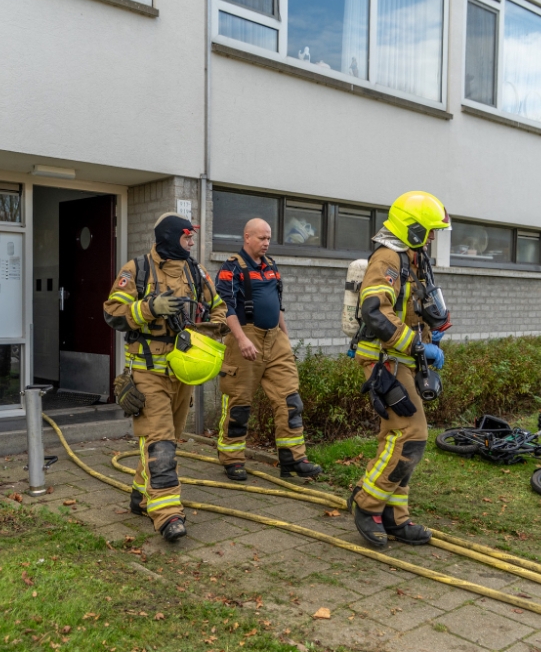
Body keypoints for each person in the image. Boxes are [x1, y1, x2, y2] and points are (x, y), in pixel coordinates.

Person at [103, 213, 227, 542]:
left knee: (165, 439)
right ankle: (168, 513)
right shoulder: (136, 270)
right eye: (187, 237)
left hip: (183, 374)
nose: (192, 243)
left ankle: (140, 496)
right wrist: (149, 309)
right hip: (148, 375)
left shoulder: (195, 271)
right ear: (170, 237)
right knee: (160, 442)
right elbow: (111, 314)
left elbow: (218, 307)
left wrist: (207, 332)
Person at [348, 191, 451, 548]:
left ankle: (394, 517)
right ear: (414, 228)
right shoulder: (388, 257)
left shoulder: (414, 258)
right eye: (430, 230)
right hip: (384, 360)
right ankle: (366, 504)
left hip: (402, 359)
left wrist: (431, 331)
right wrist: (419, 345)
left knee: (397, 436)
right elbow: (376, 311)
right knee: (412, 434)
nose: (434, 238)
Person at [214, 218, 323, 481]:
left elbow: (278, 305)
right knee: (239, 403)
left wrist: (286, 340)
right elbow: (225, 307)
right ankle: (232, 459)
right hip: (245, 338)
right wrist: (241, 339)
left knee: (290, 401)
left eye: (268, 238)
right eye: (261, 238)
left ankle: (292, 459)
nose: (266, 243)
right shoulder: (231, 267)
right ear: (247, 237)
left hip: (276, 340)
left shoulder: (272, 266)